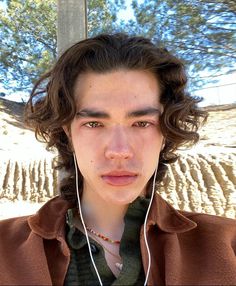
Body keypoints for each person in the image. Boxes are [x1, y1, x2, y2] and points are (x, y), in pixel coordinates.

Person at [0, 33, 235, 286]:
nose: (119, 150)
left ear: (166, 132)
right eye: (94, 123)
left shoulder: (227, 245)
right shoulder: (5, 251)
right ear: (67, 132)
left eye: (141, 123)